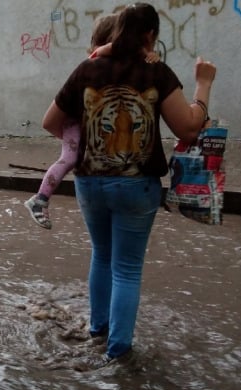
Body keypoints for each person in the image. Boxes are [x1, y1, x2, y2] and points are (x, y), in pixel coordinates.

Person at [41, 2, 216, 367]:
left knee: (102, 257)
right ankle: (118, 352)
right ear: (150, 35)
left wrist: (80, 141)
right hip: (137, 188)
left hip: (90, 183)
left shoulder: (87, 68)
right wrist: (203, 84)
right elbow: (187, 126)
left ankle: (97, 330)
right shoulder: (157, 73)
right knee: (127, 268)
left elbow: (49, 121)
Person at [24, 13, 159, 229]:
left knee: (70, 157)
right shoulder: (94, 63)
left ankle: (41, 199)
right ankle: (40, 199)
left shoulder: (105, 64)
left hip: (82, 131)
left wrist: (149, 54)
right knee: (68, 158)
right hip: (74, 122)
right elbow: (49, 121)